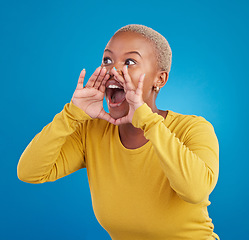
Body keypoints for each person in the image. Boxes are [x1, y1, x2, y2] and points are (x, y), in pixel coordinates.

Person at [17, 24, 220, 240]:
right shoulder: (92, 132)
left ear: (159, 79)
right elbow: (30, 172)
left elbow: (196, 191)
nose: (113, 70)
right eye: (107, 60)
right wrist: (71, 115)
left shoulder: (193, 129)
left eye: (130, 62)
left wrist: (147, 121)